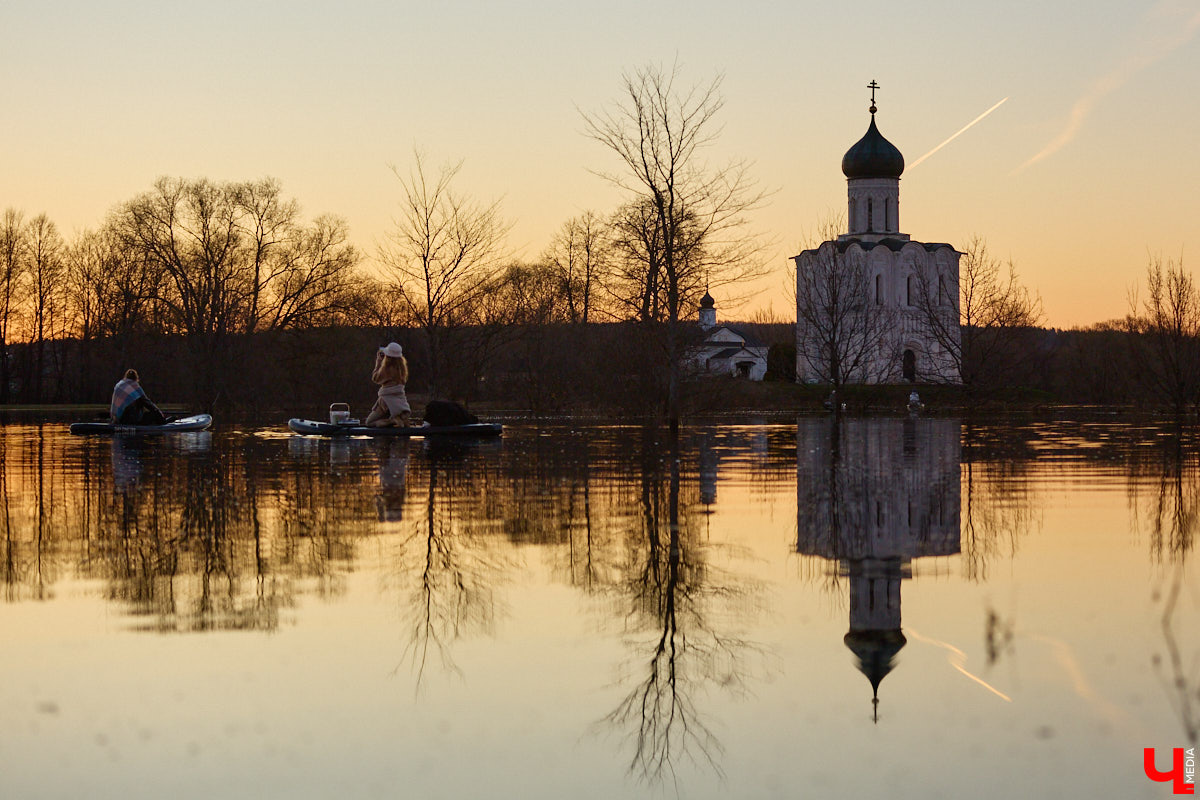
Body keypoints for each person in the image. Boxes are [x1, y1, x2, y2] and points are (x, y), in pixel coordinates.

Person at [365, 342, 411, 427]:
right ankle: (397, 419)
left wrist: (378, 362)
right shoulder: (402, 369)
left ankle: (392, 421)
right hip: (399, 401)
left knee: (369, 423)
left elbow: (375, 378)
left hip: (386, 401)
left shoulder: (387, 369)